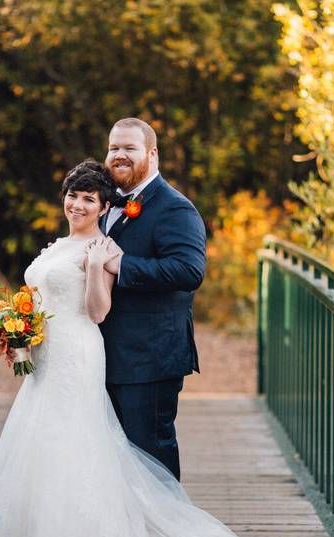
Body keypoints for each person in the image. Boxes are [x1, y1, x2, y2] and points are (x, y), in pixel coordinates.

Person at [0, 157, 315, 537]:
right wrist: (18, 335)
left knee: (78, 438)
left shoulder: (103, 249)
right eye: (73, 195)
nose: (77, 204)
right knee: (41, 437)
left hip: (79, 351)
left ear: (103, 206)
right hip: (46, 356)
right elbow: (37, 300)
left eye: (88, 198)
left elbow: (98, 311)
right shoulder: (55, 247)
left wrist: (97, 269)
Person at [96, 117, 205, 481]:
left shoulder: (174, 208)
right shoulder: (101, 203)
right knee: (109, 459)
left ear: (152, 154)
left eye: (130, 148)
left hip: (150, 359)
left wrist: (122, 264)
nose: (119, 155)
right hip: (101, 357)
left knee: (149, 460)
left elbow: (189, 271)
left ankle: (164, 536)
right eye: (114, 148)